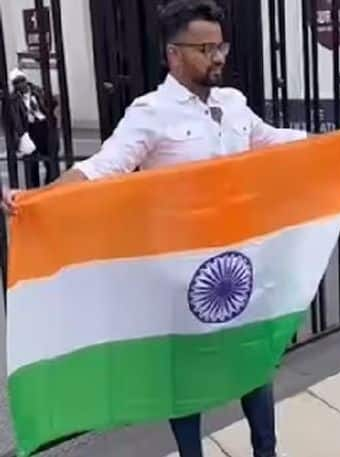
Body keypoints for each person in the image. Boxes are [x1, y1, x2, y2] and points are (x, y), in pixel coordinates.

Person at [3, 1, 308, 456]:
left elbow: (273, 141)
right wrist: (37, 198)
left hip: (240, 265)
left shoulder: (234, 103)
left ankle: (267, 450)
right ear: (173, 55)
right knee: (184, 380)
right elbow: (104, 167)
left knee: (254, 362)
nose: (218, 56)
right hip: (181, 276)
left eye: (220, 45)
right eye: (205, 48)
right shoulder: (151, 112)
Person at [7, 68, 60, 187]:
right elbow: (13, 117)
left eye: (21, 81)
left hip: (43, 126)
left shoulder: (38, 91)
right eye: (16, 82)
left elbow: (52, 102)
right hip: (29, 129)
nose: (20, 84)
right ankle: (34, 188)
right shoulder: (14, 99)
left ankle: (50, 185)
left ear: (26, 80)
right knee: (31, 164)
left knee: (50, 159)